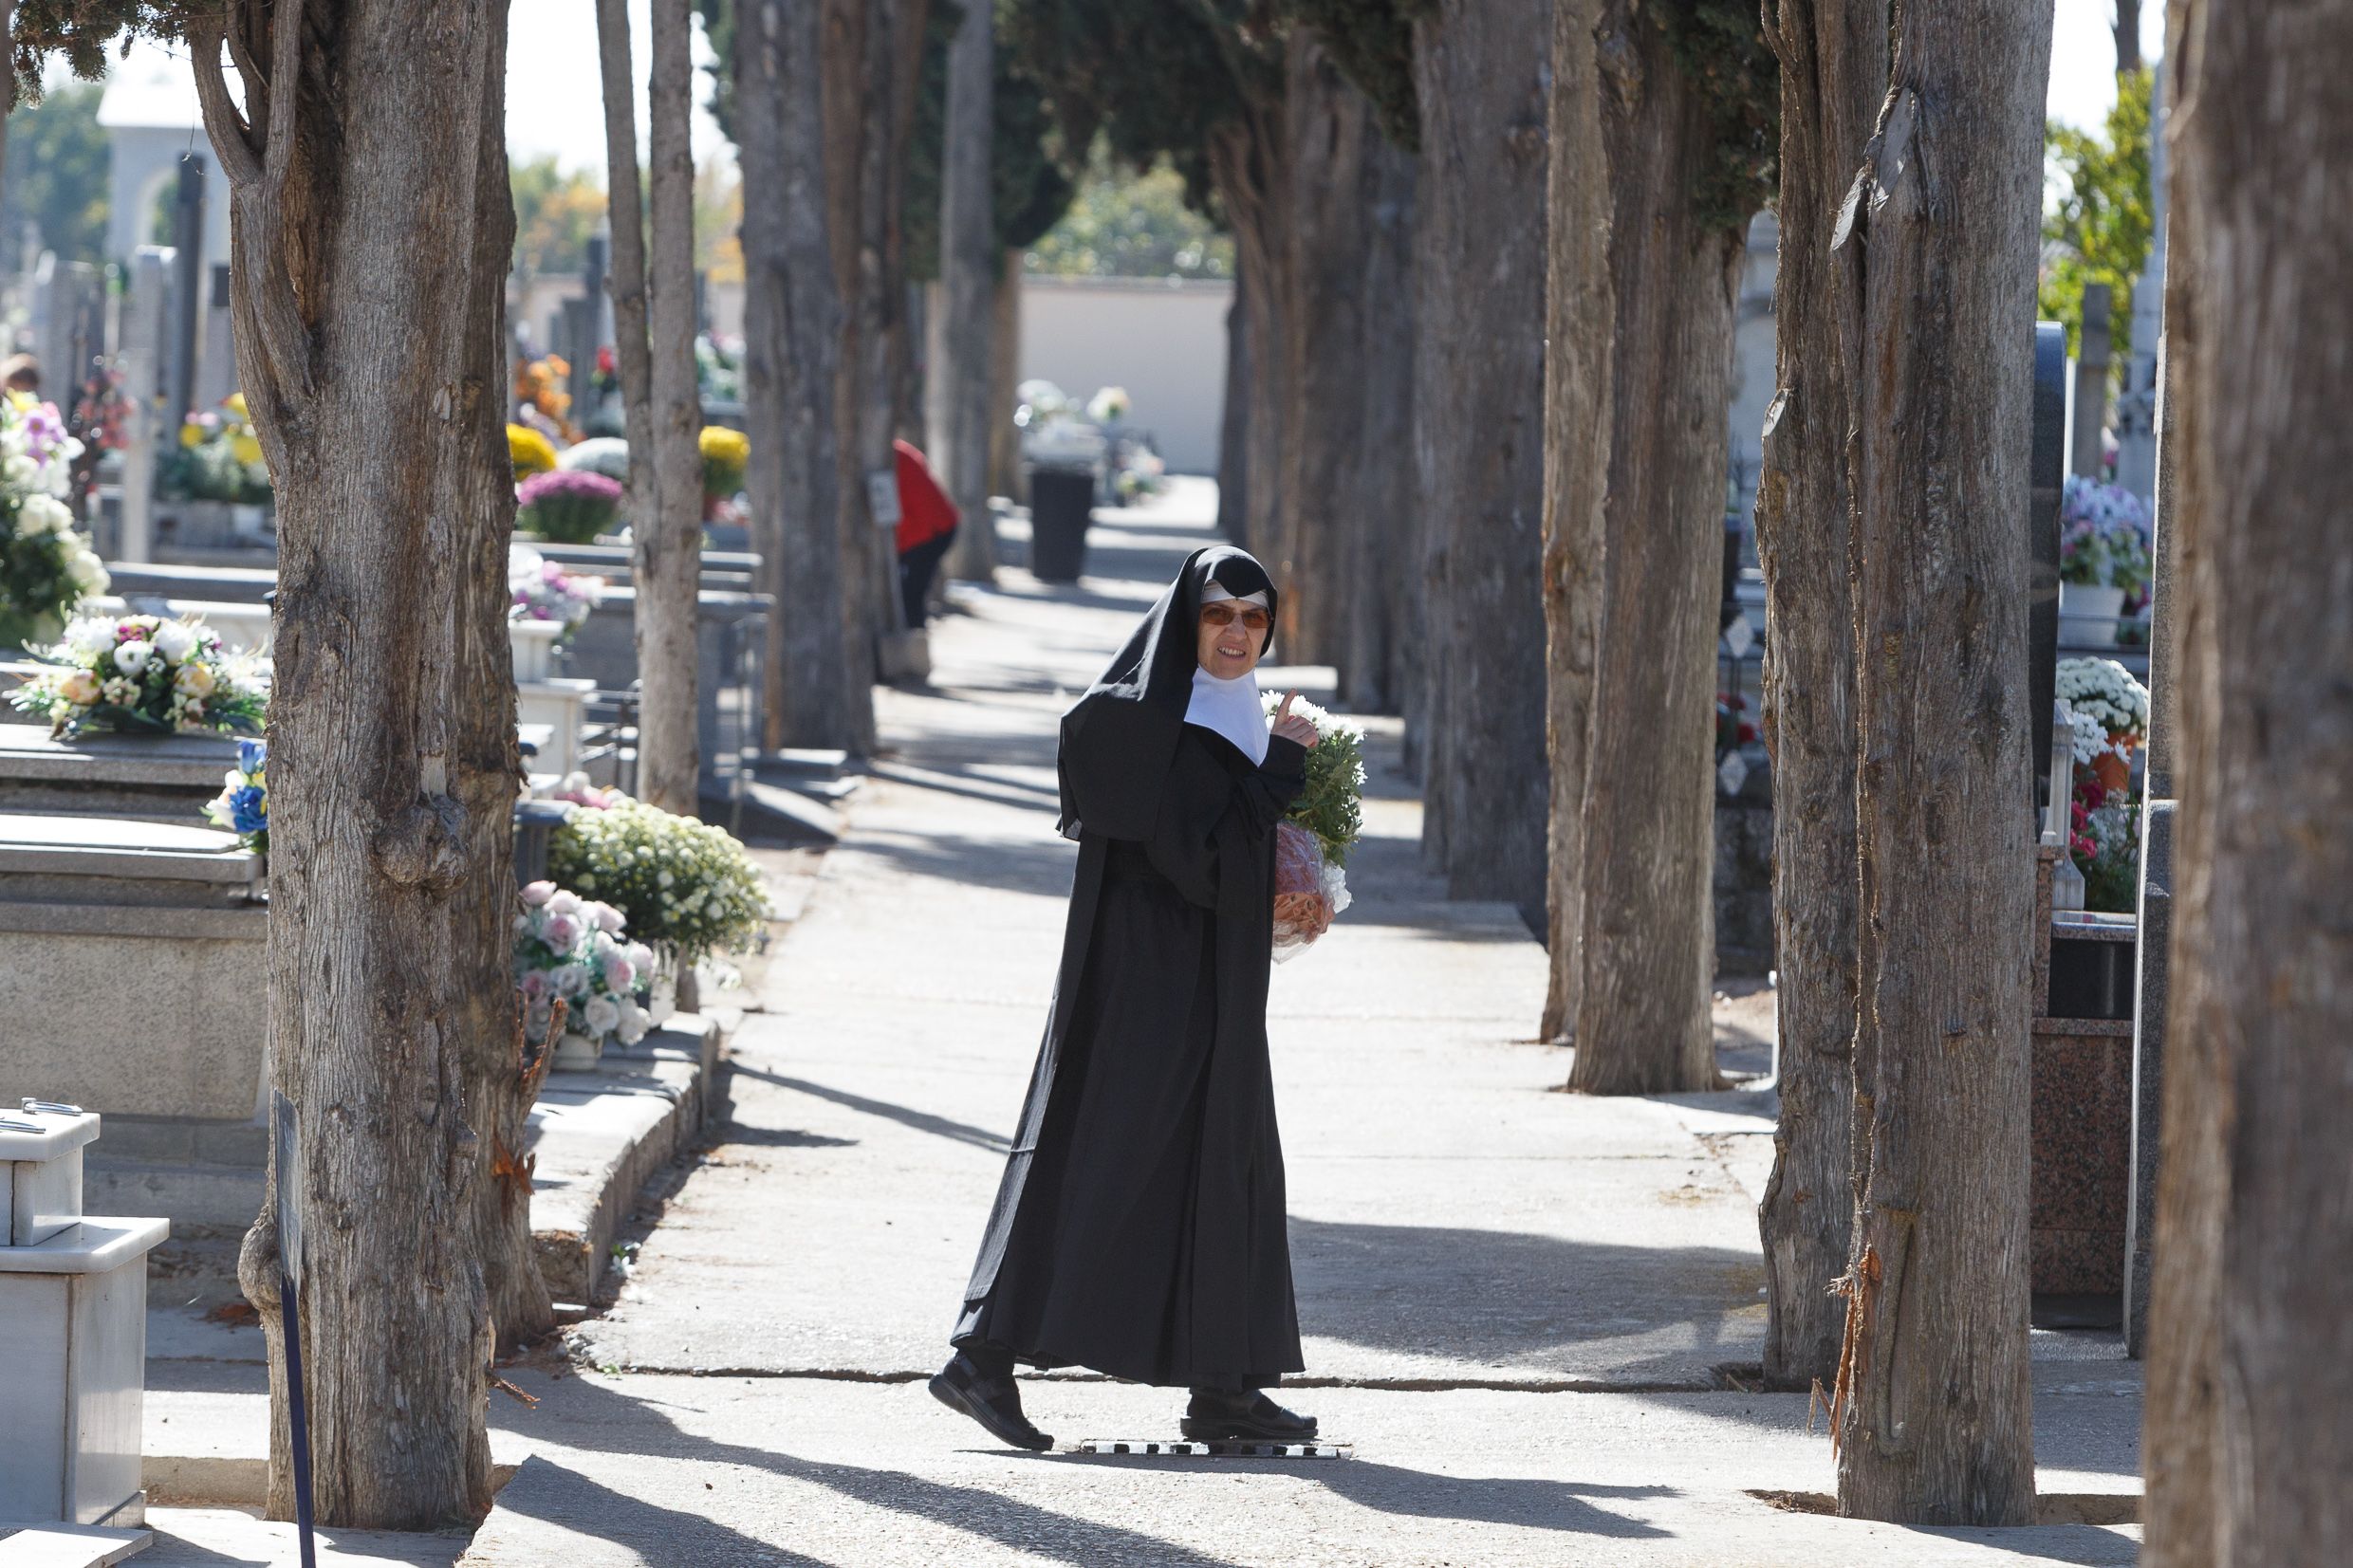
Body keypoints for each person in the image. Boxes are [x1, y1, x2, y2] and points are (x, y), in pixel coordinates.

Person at [930, 545, 1326, 1452]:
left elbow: (1236, 849)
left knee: (1227, 1161)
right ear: (1186, 621)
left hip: (1212, 981)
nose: (1236, 632)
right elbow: (1202, 857)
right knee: (1102, 1156)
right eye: (1219, 613)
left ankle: (1226, 1381)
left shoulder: (1239, 716)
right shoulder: (1148, 721)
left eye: (1254, 617)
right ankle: (981, 1357)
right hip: (1146, 990)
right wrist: (1279, 778)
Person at [893, 437, 959, 628]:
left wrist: (900, 550)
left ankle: (915, 641)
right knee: (910, 590)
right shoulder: (899, 451)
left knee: (912, 592)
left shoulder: (895, 458)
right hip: (932, 529)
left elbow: (919, 517)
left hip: (934, 531)